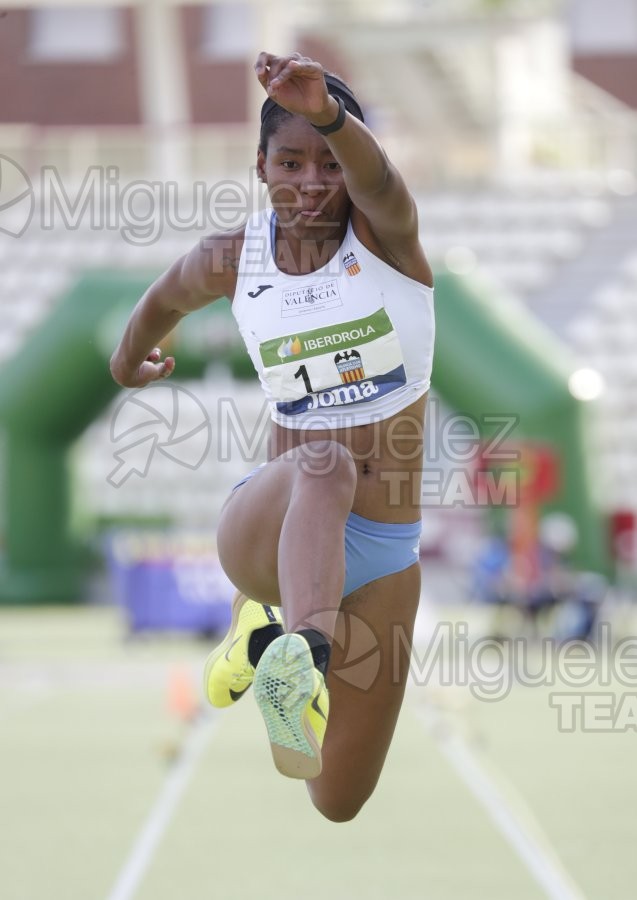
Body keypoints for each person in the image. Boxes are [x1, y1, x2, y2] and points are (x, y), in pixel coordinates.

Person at [110, 51, 435, 822]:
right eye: (290, 161)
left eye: (330, 162)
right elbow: (161, 299)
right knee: (324, 464)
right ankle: (295, 651)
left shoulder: (387, 239)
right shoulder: (235, 257)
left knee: (337, 799)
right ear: (261, 167)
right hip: (272, 523)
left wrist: (326, 111)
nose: (312, 182)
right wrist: (128, 363)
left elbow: (382, 182)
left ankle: (264, 641)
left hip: (385, 552)